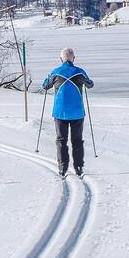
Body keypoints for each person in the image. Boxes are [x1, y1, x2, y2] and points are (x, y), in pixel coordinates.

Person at [42, 47, 94, 179]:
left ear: (61, 59)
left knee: (61, 140)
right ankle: (79, 168)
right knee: (77, 140)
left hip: (60, 113)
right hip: (77, 113)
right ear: (73, 59)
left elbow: (45, 86)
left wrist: (49, 79)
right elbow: (90, 85)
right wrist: (86, 82)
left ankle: (62, 168)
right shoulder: (80, 72)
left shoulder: (56, 72)